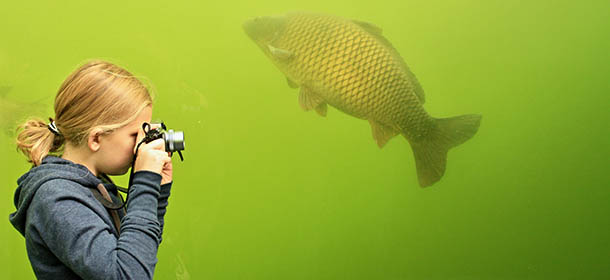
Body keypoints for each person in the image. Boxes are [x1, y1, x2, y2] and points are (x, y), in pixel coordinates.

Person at [9, 60, 173, 279]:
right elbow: (129, 275)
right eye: (135, 134)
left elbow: (138, 254)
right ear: (96, 138)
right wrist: (144, 183)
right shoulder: (57, 199)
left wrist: (155, 193)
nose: (141, 144)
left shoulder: (95, 184)